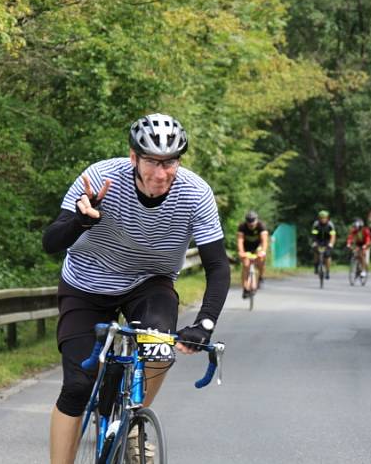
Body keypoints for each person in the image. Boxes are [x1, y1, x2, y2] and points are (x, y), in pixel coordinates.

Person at [42, 113, 230, 464]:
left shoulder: (196, 193)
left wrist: (205, 323)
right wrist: (80, 222)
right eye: (151, 162)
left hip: (150, 281)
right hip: (87, 282)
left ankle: (133, 416)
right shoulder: (98, 179)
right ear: (133, 157)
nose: (161, 174)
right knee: (79, 386)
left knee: (160, 352)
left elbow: (217, 265)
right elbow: (51, 242)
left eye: (170, 162)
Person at [237, 210, 269, 297]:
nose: (251, 225)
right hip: (246, 248)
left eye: (253, 223)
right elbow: (240, 241)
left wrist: (263, 251)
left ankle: (261, 277)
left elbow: (264, 241)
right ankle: (245, 288)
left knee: (261, 260)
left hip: (257, 247)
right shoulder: (242, 227)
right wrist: (241, 252)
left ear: (256, 220)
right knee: (246, 265)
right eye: (249, 223)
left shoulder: (261, 226)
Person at [311, 210, 336, 279]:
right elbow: (314, 235)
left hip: (327, 240)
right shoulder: (316, 224)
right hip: (318, 240)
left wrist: (331, 244)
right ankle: (316, 266)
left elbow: (333, 236)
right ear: (319, 218)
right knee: (316, 251)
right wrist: (314, 242)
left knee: (327, 255)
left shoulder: (330, 225)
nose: (323, 219)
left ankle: (327, 271)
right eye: (321, 218)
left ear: (327, 218)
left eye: (325, 218)